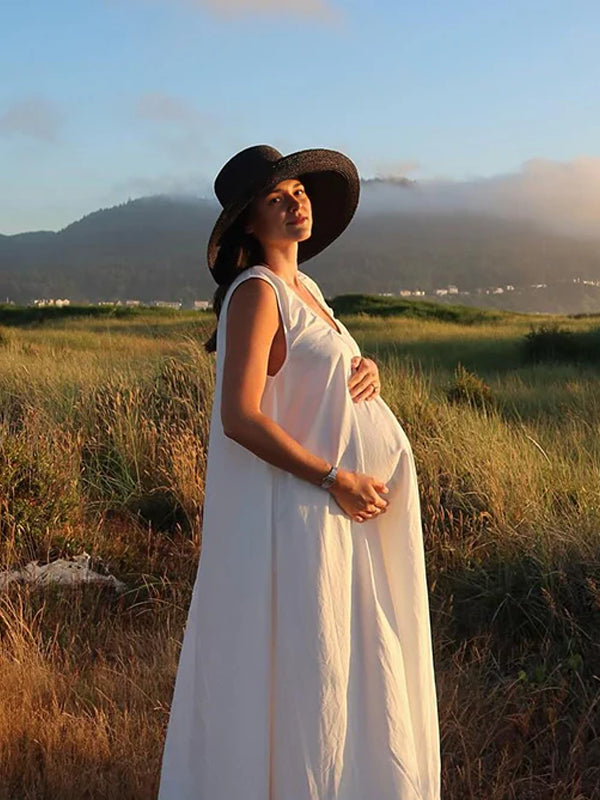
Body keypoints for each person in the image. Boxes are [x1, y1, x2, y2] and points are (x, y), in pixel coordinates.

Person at [157, 145, 441, 800]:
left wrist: (364, 369)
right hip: (302, 516)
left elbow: (314, 382)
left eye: (299, 191)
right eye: (276, 198)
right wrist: (334, 477)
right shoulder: (257, 293)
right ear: (250, 221)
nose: (295, 203)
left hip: (338, 517)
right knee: (312, 671)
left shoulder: (307, 291)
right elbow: (240, 416)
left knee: (345, 667)